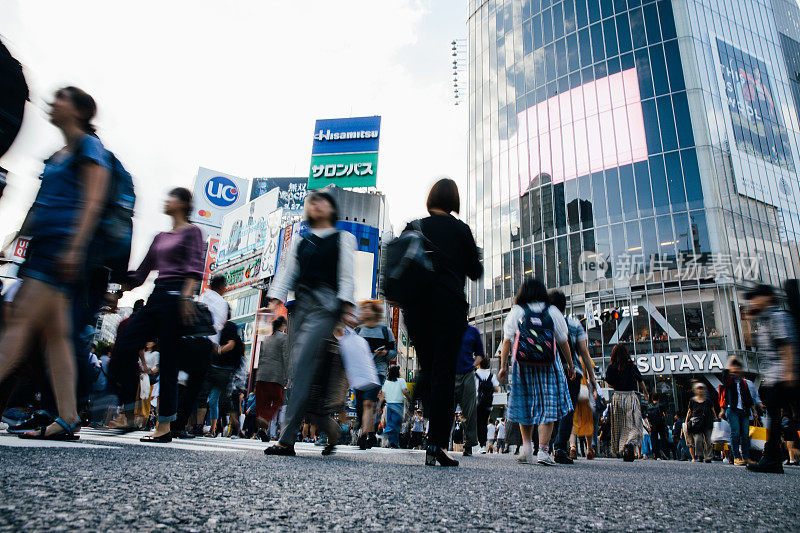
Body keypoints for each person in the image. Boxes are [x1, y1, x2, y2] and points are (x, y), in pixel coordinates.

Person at [0, 87, 111, 440]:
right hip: (43, 249)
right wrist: (13, 240)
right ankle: (67, 416)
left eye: (61, 97)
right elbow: (39, 206)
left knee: (18, 326)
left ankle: (66, 416)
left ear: (78, 110)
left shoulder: (89, 148)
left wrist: (76, 248)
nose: (53, 102)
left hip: (60, 251)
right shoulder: (56, 156)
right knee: (56, 337)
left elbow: (93, 201)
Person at [264, 191, 356, 457]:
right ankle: (331, 428)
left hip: (326, 309)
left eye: (322, 200)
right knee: (303, 373)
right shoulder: (299, 241)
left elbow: (347, 276)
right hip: (300, 309)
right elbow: (288, 272)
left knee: (303, 368)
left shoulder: (343, 238)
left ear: (332, 208)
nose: (316, 204)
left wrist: (347, 308)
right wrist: (274, 299)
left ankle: (286, 439)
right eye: (311, 201)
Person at [110, 187, 204, 443]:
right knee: (124, 346)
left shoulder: (193, 231)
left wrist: (186, 297)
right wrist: (115, 285)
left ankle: (163, 427)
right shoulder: (160, 236)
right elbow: (140, 274)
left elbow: (195, 269)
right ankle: (129, 412)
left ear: (184, 204)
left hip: (176, 299)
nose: (166, 201)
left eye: (171, 197)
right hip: (156, 297)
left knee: (170, 363)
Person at [400, 178, 482, 467]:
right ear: (453, 201)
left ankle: (420, 393)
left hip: (416, 310)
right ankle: (435, 445)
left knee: (429, 366)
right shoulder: (461, 230)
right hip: (448, 309)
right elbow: (475, 271)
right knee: (444, 374)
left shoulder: (413, 227)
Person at [498, 278, 574, 466]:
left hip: (522, 365)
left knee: (525, 405)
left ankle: (526, 448)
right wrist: (571, 364)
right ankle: (544, 451)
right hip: (548, 364)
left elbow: (507, 340)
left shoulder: (517, 311)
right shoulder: (553, 311)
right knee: (547, 408)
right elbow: (563, 340)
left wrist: (503, 366)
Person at [743, 284, 799, 474]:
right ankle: (772, 459)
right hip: (776, 377)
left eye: (755, 298)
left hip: (786, 375)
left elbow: (787, 344)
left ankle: (772, 459)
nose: (752, 302)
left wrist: (790, 372)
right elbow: (750, 342)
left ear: (767, 298)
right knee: (774, 418)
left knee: (777, 418)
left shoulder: (778, 317)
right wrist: (747, 319)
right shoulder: (764, 321)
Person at [172, 273, 228, 439]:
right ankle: (179, 425)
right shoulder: (221, 303)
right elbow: (218, 325)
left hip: (187, 341)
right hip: (205, 344)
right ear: (223, 287)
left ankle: (171, 422)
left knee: (181, 384)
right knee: (194, 387)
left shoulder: (201, 297)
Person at [549, 290, 598, 464]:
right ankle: (561, 448)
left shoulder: (546, 322)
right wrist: (591, 377)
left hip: (551, 370)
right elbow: (584, 351)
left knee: (552, 408)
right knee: (568, 409)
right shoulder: (573, 322)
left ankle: (546, 446)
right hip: (573, 371)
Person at [355, 300, 396, 449]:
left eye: (368, 308)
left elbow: (393, 353)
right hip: (360, 371)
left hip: (377, 371)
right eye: (363, 308)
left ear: (375, 312)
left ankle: (363, 435)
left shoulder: (386, 331)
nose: (364, 311)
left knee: (368, 402)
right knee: (359, 405)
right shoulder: (358, 330)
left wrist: (385, 353)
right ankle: (370, 432)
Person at [201, 317, 244, 437]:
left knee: (219, 400)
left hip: (223, 370)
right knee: (213, 400)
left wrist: (218, 350)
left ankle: (231, 425)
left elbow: (231, 344)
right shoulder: (218, 327)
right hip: (218, 369)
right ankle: (212, 428)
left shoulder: (229, 327)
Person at [604, 344, 649, 461]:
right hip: (630, 396)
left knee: (620, 426)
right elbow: (640, 380)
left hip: (618, 397)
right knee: (634, 423)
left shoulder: (611, 368)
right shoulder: (631, 366)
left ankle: (623, 447)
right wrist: (645, 393)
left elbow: (609, 384)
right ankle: (630, 442)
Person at [254, 316, 290, 442]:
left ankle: (262, 430)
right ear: (283, 326)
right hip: (275, 375)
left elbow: (260, 357)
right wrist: (288, 375)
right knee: (278, 400)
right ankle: (265, 420)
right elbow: (286, 357)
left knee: (262, 403)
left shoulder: (266, 339)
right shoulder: (284, 338)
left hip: (261, 375)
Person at [453, 324, 484, 456]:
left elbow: (480, 354)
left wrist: (472, 365)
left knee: (469, 410)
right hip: (450, 373)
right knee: (446, 409)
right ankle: (439, 442)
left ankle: (469, 444)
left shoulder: (473, 331)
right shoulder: (447, 328)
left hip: (467, 374)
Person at [718, 357, 754, 466]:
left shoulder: (744, 383)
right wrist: (729, 363)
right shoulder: (730, 381)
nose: (737, 370)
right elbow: (724, 375)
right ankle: (736, 457)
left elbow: (748, 398)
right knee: (735, 433)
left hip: (744, 411)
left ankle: (746, 457)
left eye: (738, 368)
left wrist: (754, 410)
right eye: (734, 368)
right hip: (732, 410)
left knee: (745, 435)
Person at [380, 365, 409, 449]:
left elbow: (383, 394)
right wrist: (410, 399)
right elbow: (404, 391)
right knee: (395, 425)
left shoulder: (386, 382)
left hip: (389, 405)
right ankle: (386, 432)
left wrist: (379, 405)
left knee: (391, 423)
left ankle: (394, 443)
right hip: (398, 405)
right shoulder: (401, 380)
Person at [685, 381, 714, 462]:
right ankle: (699, 455)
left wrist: (715, 419)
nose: (700, 390)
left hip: (707, 422)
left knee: (708, 440)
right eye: (698, 388)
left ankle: (708, 456)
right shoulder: (692, 400)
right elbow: (689, 411)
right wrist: (686, 421)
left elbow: (712, 410)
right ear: (695, 390)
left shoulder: (708, 400)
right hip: (696, 423)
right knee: (698, 439)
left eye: (702, 388)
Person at [475, 356, 499, 453]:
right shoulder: (491, 375)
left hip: (477, 402)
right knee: (484, 422)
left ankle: (482, 445)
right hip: (488, 403)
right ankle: (483, 445)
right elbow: (497, 389)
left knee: (479, 423)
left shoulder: (475, 375)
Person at [645, 393, 669, 460]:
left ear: (652, 399)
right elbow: (666, 415)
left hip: (653, 425)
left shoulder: (649, 406)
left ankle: (656, 454)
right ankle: (665, 453)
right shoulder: (661, 405)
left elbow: (647, 417)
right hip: (661, 424)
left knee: (654, 440)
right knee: (663, 438)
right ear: (658, 399)